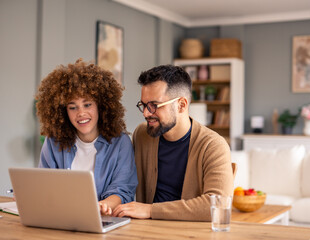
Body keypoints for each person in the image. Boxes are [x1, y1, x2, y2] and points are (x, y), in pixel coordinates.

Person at [111, 65, 233, 221]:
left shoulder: (213, 145)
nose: (147, 113)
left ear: (181, 105)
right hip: (145, 231)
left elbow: (218, 205)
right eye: (144, 105)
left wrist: (150, 210)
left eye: (154, 105)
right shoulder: (142, 135)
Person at [35, 58, 138, 215]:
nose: (81, 113)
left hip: (103, 222)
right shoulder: (53, 142)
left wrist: (102, 206)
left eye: (87, 104)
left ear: (101, 105)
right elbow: (44, 185)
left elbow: (123, 190)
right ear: (63, 112)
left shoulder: (120, 143)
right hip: (60, 218)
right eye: (72, 107)